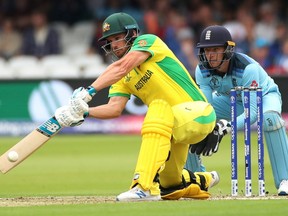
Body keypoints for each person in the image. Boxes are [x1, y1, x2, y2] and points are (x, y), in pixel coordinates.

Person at [53, 12, 230, 201]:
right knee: (170, 186)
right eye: (110, 41)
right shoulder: (121, 77)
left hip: (199, 113)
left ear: (133, 34)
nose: (114, 45)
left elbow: (121, 67)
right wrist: (85, 112)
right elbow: (114, 108)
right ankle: (205, 179)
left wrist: (89, 92)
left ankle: (143, 187)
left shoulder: (149, 42)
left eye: (118, 38)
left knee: (158, 107)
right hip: (173, 129)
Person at [188, 25, 288, 196]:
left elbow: (253, 114)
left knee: (270, 120)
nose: (210, 55)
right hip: (231, 99)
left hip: (263, 97)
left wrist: (226, 126)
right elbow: (207, 108)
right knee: (192, 120)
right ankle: (196, 179)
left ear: (227, 49)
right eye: (206, 50)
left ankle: (285, 180)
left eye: (215, 49)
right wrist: (208, 125)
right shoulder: (201, 70)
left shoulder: (247, 68)